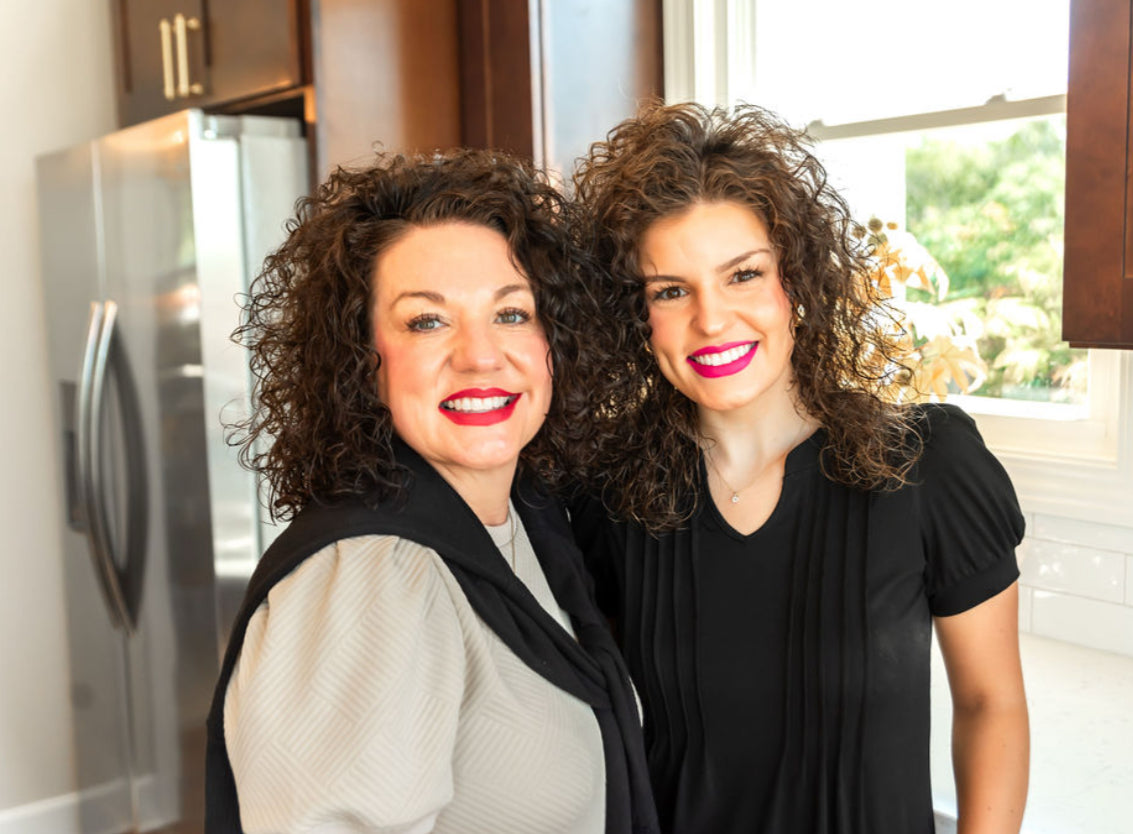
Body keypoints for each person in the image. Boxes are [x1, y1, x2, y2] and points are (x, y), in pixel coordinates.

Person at [569, 102, 1030, 834]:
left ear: (797, 283)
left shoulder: (927, 466)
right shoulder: (609, 495)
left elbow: (990, 704)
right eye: (669, 290)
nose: (712, 320)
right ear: (636, 316)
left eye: (743, 275)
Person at [204, 150, 659, 834]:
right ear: (359, 360)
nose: (480, 355)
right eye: (427, 321)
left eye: (512, 314)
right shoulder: (375, 574)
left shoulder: (525, 519)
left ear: (554, 342)